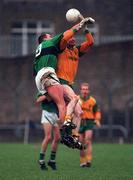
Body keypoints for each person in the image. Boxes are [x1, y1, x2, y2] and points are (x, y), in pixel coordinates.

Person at [33, 18, 89, 125]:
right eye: (50, 36)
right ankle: (65, 127)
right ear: (45, 39)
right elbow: (69, 32)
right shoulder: (49, 43)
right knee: (61, 104)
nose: (52, 37)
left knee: (61, 101)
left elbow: (35, 69)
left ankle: (66, 127)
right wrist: (81, 23)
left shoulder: (39, 50)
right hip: (48, 73)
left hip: (39, 78)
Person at [56, 21, 94, 135]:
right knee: (74, 99)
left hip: (69, 84)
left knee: (80, 112)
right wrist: (76, 27)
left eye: (74, 37)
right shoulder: (62, 49)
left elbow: (90, 42)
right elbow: (65, 37)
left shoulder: (77, 50)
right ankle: (67, 121)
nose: (73, 39)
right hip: (61, 82)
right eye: (70, 37)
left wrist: (85, 29)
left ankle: (74, 137)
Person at [78, 82, 101, 167]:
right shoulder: (76, 99)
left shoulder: (92, 100)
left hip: (89, 121)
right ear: (80, 90)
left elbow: (97, 111)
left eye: (86, 89)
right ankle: (82, 161)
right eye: (83, 89)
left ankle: (89, 160)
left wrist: (97, 120)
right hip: (79, 122)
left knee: (88, 140)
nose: (85, 91)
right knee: (80, 142)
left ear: (89, 91)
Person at [36, 93, 60, 170]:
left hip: (56, 114)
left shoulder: (58, 88)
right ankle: (41, 160)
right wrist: (48, 95)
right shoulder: (44, 89)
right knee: (48, 137)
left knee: (57, 138)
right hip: (47, 113)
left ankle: (52, 160)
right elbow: (38, 100)